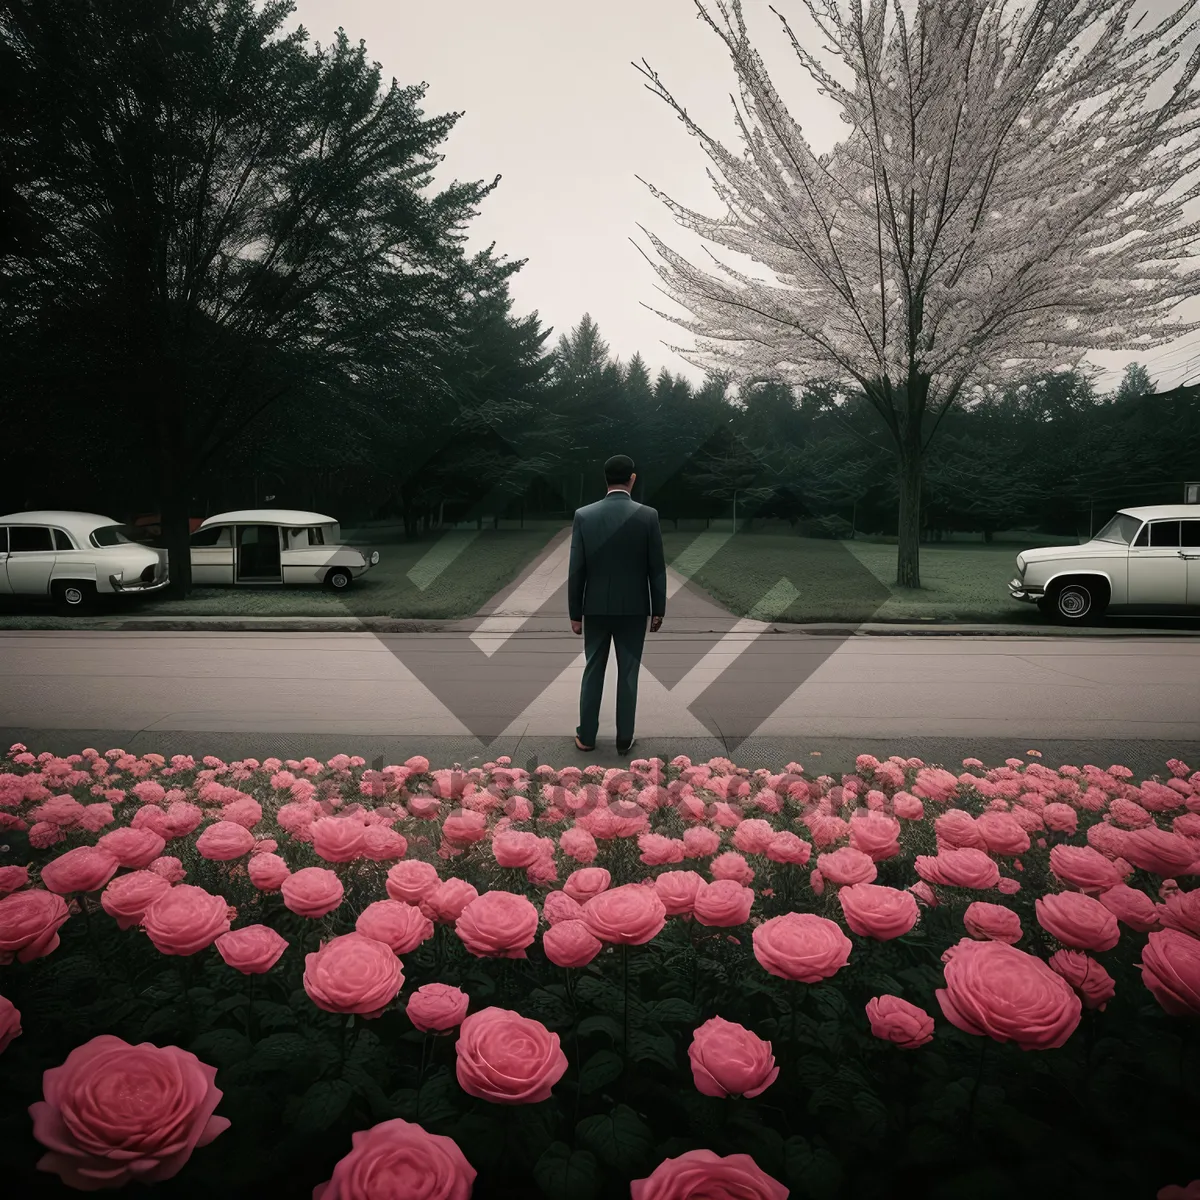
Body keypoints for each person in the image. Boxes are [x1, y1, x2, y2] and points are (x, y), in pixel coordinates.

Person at [568, 455, 667, 756]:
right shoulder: (648, 516)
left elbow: (577, 569)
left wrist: (575, 614)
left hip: (595, 608)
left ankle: (587, 736)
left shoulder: (584, 515)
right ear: (632, 479)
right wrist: (658, 608)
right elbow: (656, 567)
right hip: (635, 608)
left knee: (593, 670)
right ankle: (625, 739)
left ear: (605, 478)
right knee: (628, 674)